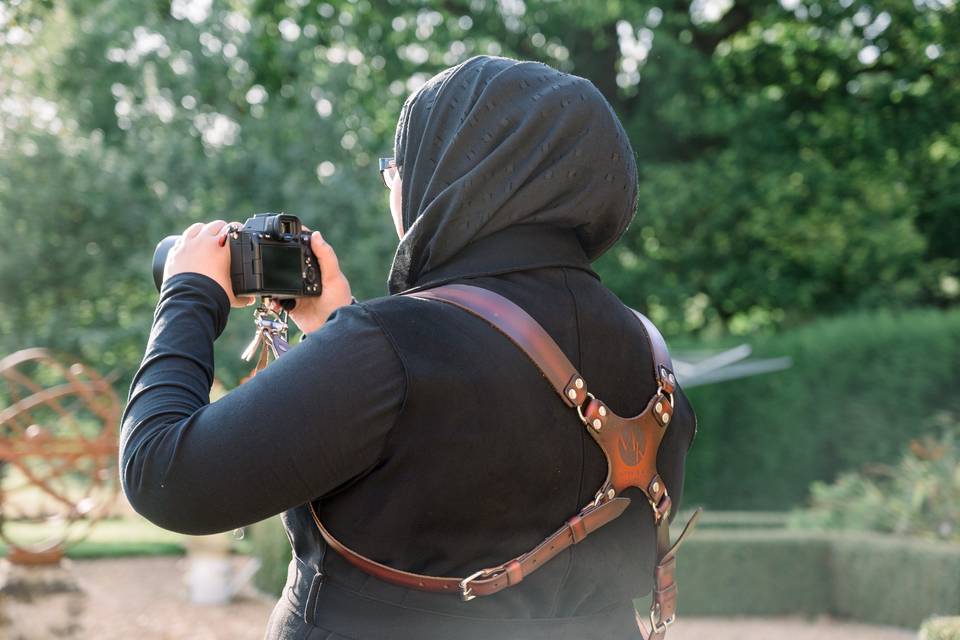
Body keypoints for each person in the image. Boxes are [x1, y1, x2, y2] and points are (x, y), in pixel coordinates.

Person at [120, 55, 697, 639]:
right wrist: (333, 333)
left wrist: (190, 294)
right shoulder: (649, 352)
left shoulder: (386, 347)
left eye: (394, 167)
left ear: (456, 169)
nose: (392, 183)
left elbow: (163, 476)